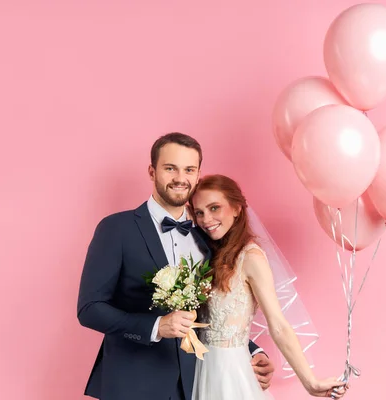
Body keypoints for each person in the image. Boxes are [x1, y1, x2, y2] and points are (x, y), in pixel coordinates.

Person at [77, 133, 274, 400]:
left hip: (195, 382)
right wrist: (156, 326)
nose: (180, 178)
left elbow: (211, 311)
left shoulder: (206, 237)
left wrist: (249, 350)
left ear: (197, 174)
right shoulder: (116, 229)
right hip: (132, 384)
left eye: (189, 170)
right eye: (170, 168)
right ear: (152, 171)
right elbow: (90, 309)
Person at [189, 174, 349, 399]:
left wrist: (310, 382)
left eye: (215, 208)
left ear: (236, 208)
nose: (206, 219)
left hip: (230, 372)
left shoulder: (251, 257)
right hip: (200, 369)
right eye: (199, 212)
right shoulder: (206, 256)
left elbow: (279, 325)